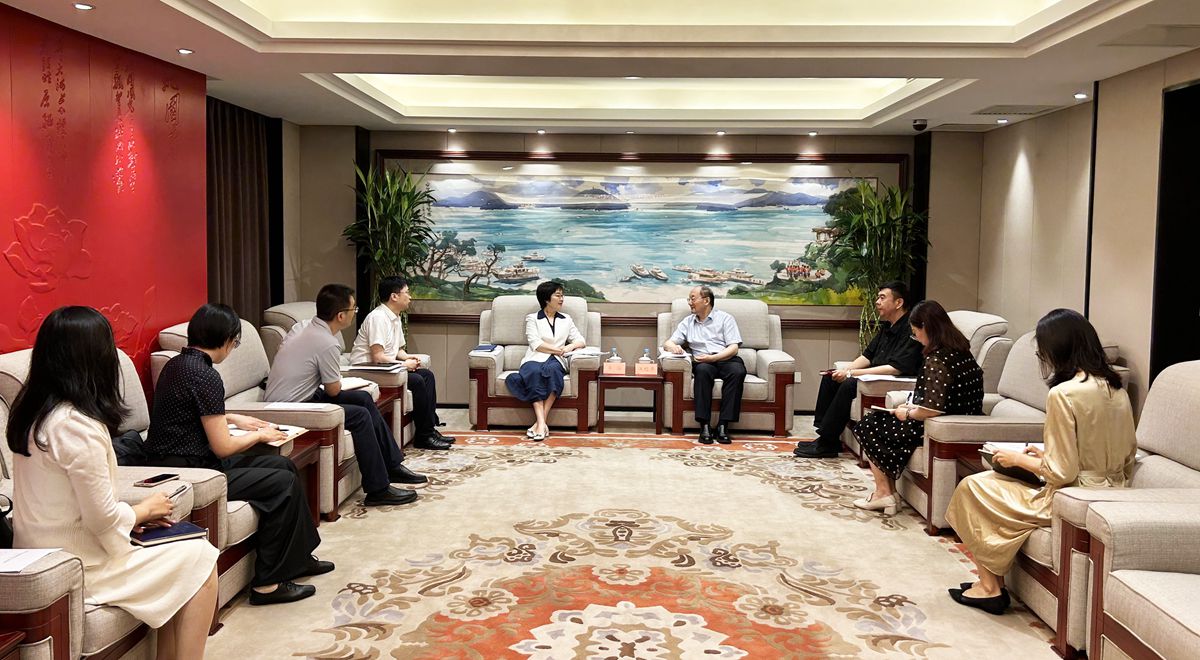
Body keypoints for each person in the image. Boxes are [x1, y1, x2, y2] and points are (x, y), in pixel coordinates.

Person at [7, 306, 219, 659]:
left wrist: (132, 518)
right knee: (201, 557)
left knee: (185, 558)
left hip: (45, 552)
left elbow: (76, 503)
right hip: (81, 564)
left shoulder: (34, 414)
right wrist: (143, 510)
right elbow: (101, 518)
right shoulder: (77, 425)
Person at [946, 308, 1137, 615]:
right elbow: (1124, 452)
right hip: (1113, 491)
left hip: (1069, 498)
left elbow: (1062, 473)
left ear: (1057, 349)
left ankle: (990, 588)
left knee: (972, 487)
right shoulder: (1116, 390)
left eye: (1042, 351)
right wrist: (1046, 454)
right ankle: (991, 581)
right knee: (988, 483)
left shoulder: (1064, 394)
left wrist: (1017, 459)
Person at [145, 303, 333, 606]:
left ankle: (297, 558)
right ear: (227, 340)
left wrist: (233, 418)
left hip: (179, 459)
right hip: (196, 470)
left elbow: (193, 413)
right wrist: (259, 435)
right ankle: (267, 585)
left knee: (282, 465)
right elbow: (223, 447)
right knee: (282, 483)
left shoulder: (177, 364)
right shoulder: (206, 375)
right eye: (235, 342)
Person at [266, 284, 426, 507]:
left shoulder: (303, 327)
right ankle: (378, 489)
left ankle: (392, 466)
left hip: (301, 396)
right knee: (360, 416)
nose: (355, 313)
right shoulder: (327, 343)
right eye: (354, 309)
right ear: (341, 316)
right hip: (292, 407)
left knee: (363, 399)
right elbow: (333, 390)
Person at [850, 301, 984, 514]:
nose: (917, 339)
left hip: (937, 425)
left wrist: (908, 412)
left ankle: (884, 493)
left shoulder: (937, 359)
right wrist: (911, 405)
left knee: (869, 425)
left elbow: (931, 409)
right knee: (878, 421)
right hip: (960, 418)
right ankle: (889, 494)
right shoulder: (961, 351)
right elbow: (941, 396)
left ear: (927, 328)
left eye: (915, 333)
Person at [795, 280, 923, 458]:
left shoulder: (910, 329)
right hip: (876, 376)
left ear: (898, 302)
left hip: (894, 379)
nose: (877, 302)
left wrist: (850, 374)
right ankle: (827, 438)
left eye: (882, 298)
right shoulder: (887, 326)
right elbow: (867, 356)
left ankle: (826, 442)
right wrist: (843, 371)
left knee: (849, 384)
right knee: (830, 377)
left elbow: (895, 368)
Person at [349, 276, 453, 450]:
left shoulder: (395, 317)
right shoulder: (378, 317)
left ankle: (428, 431)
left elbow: (398, 351)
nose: (410, 297)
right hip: (369, 370)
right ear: (394, 296)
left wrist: (409, 359)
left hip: (387, 368)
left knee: (427, 376)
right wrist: (404, 366)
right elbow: (378, 356)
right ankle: (424, 437)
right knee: (417, 381)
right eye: (407, 292)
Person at [663, 285, 746, 445]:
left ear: (706, 301)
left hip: (725, 358)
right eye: (689, 299)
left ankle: (723, 425)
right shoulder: (688, 322)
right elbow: (668, 342)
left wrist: (713, 358)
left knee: (738, 371)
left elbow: (734, 347)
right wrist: (673, 347)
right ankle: (705, 426)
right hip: (702, 361)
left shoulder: (725, 319)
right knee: (702, 372)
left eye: (693, 298)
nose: (689, 302)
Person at [505, 281, 586, 441]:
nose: (562, 299)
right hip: (535, 358)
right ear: (546, 299)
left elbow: (581, 340)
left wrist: (569, 347)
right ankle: (542, 423)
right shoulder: (532, 318)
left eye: (562, 295)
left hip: (556, 360)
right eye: (558, 295)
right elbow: (536, 344)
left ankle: (539, 424)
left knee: (554, 372)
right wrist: (559, 349)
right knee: (534, 372)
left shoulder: (566, 319)